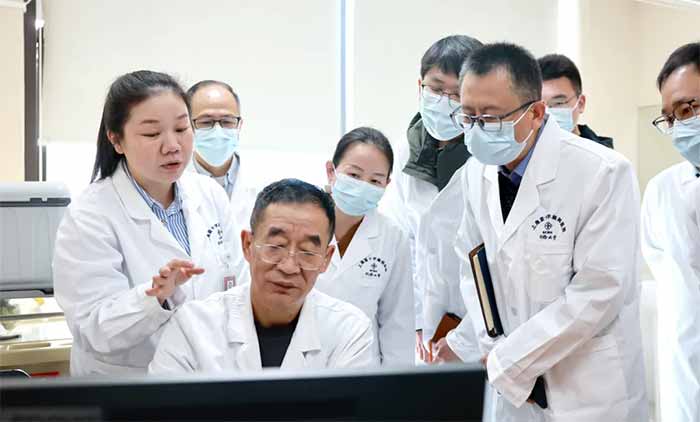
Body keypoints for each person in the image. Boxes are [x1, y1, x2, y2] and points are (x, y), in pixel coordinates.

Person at [448, 43, 647, 421]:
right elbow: (473, 268)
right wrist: (493, 348)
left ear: (536, 113)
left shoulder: (602, 172)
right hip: (509, 387)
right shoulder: (475, 173)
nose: (476, 130)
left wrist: (511, 360)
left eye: (490, 118)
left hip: (586, 390)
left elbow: (599, 291)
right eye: (468, 116)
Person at [53, 70, 246, 375]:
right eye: (152, 134)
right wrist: (158, 298)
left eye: (181, 128)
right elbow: (93, 328)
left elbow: (237, 286)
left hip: (207, 377)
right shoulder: (90, 214)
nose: (172, 145)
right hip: (129, 386)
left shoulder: (210, 195)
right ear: (116, 139)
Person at [149, 179, 375, 372]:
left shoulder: (349, 331)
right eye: (276, 246)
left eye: (307, 251)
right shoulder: (193, 327)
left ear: (326, 258)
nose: (289, 267)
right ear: (247, 245)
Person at [379, 35, 483, 360]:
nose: (445, 101)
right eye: (436, 89)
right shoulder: (405, 152)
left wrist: (464, 338)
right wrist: (417, 321)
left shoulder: (489, 160)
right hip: (424, 327)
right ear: (420, 86)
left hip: (480, 325)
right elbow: (405, 244)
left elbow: (498, 264)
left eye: (457, 94)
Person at [314, 127, 414, 366]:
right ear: (331, 171)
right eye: (354, 175)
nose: (363, 186)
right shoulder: (302, 222)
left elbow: (398, 325)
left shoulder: (392, 238)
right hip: (304, 362)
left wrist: (397, 383)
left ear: (387, 184)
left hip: (363, 368)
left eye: (375, 180)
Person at [642, 41, 700, 422]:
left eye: (686, 109)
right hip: (684, 383)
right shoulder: (661, 192)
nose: (678, 127)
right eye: (669, 117)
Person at [188, 80, 257, 229]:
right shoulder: (173, 183)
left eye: (227, 121)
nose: (218, 131)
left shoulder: (263, 181)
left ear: (239, 125)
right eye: (206, 122)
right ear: (187, 124)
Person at [537, 54, 614, 149]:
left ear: (581, 103)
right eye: (539, 105)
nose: (547, 113)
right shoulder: (526, 153)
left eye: (558, 103)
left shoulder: (602, 154)